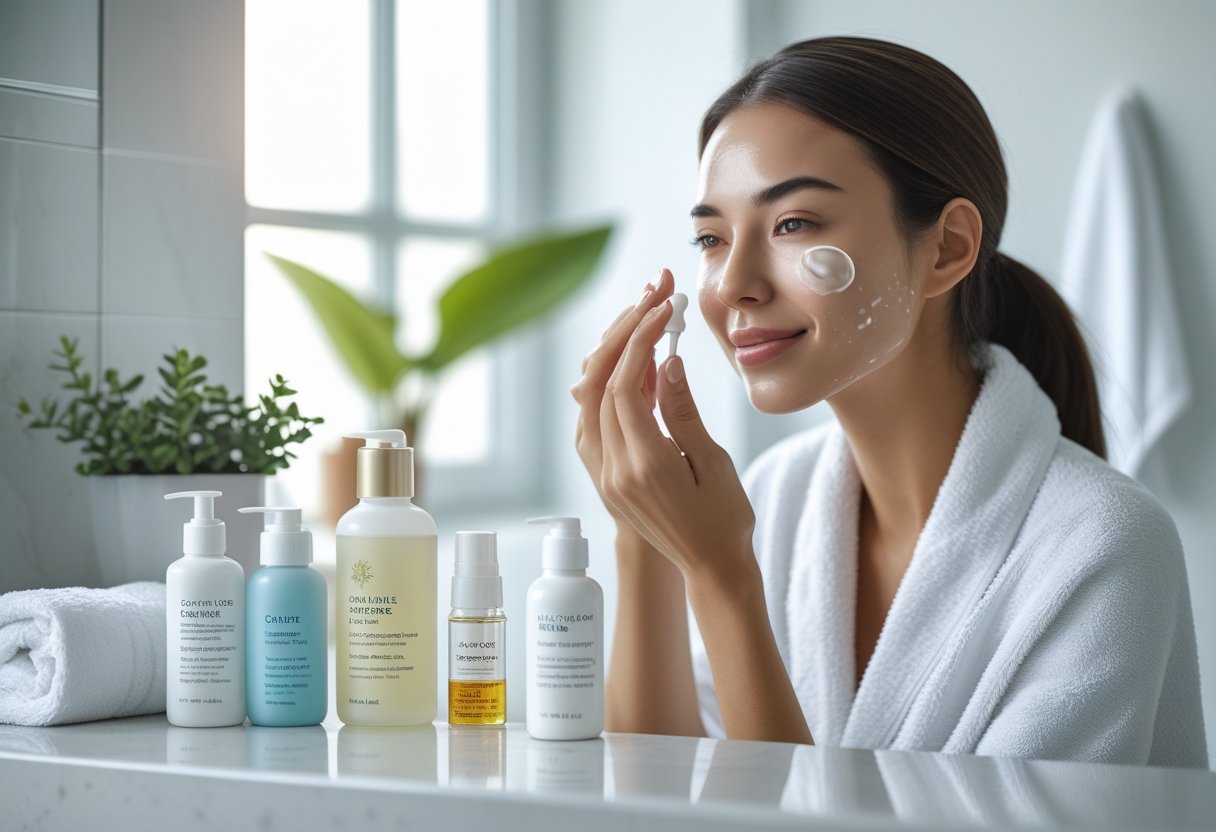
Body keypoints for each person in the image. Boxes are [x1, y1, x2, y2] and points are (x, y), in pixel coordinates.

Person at [570, 37, 1207, 767]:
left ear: (947, 248)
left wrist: (720, 576)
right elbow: (656, 796)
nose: (734, 284)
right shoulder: (774, 501)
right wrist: (646, 536)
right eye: (711, 238)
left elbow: (766, 812)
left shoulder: (1107, 545)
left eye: (793, 224)